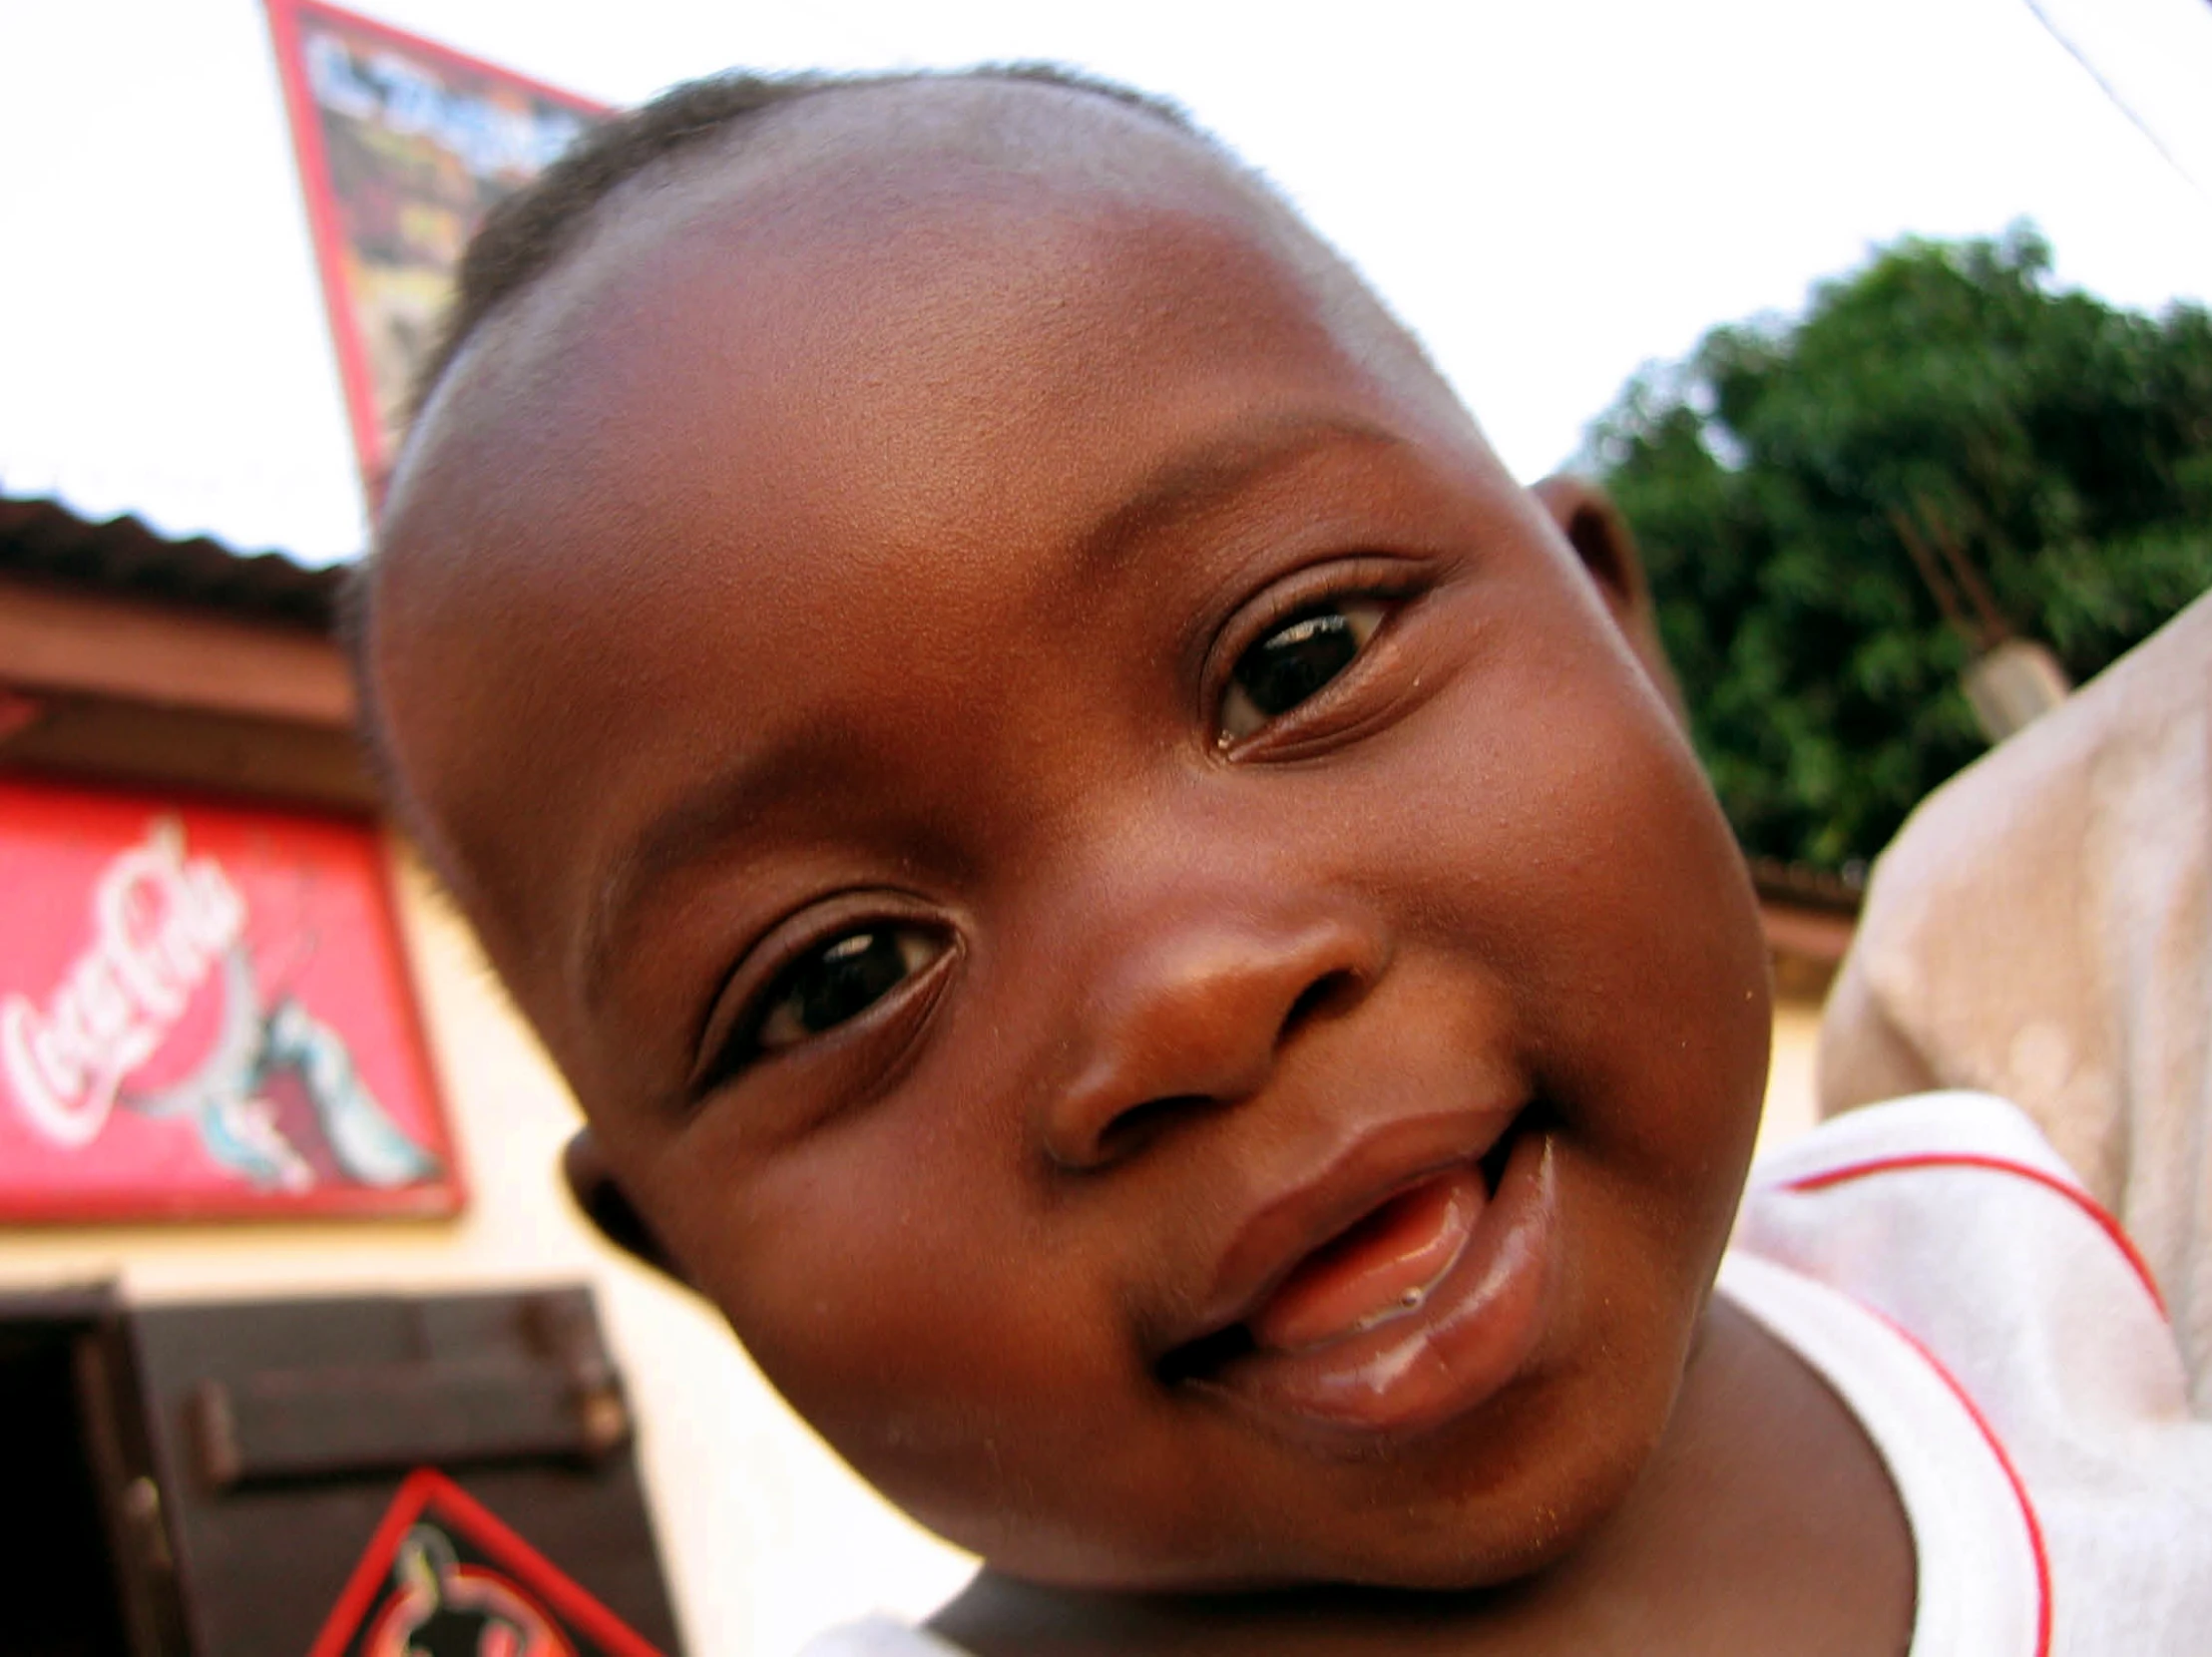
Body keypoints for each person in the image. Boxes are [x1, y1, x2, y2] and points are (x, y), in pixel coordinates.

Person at [349, 66, 2210, 1655]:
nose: (1194, 999)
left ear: (1620, 634)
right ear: (684, 1253)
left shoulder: (2014, 1268)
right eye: (839, 977)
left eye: (1298, 658)